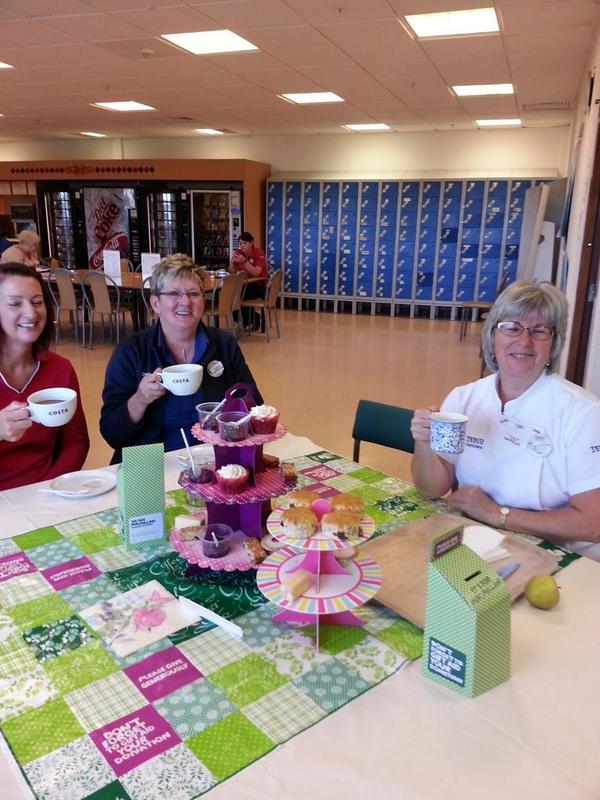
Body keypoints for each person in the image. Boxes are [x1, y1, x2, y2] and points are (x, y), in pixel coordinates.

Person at [410, 280, 600, 558]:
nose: (524, 341)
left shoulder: (584, 413)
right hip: (479, 539)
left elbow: (593, 523)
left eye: (539, 330)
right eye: (511, 327)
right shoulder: (464, 399)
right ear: (492, 336)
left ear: (554, 344)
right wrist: (423, 443)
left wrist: (497, 514)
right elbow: (431, 489)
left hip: (560, 552)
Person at [100, 253, 263, 464]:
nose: (185, 302)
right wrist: (140, 399)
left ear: (203, 302)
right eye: (174, 294)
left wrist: (229, 415)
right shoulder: (131, 351)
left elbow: (255, 404)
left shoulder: (223, 345)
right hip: (151, 467)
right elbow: (112, 434)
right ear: (155, 303)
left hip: (215, 460)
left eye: (194, 293)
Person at [0, 262, 89, 490]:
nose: (30, 313)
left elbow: (76, 443)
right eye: (14, 303)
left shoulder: (60, 368)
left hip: (47, 492)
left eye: (37, 302)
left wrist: (49, 489)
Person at [229, 231, 267, 329]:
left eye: (245, 243)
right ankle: (246, 320)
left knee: (239, 295)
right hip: (243, 285)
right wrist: (232, 263)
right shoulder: (239, 253)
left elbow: (256, 273)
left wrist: (245, 262)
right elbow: (231, 271)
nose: (242, 246)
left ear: (251, 243)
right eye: (240, 244)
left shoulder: (258, 253)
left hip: (259, 286)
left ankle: (251, 319)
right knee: (232, 295)